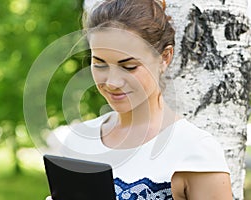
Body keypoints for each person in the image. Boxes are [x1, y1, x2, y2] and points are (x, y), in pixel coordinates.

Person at [46, 0, 233, 199]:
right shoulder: (79, 140)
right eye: (100, 64)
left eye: (129, 66)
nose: (112, 82)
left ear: (165, 57)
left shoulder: (194, 149)